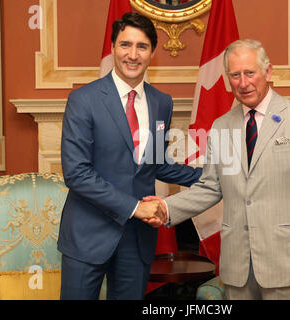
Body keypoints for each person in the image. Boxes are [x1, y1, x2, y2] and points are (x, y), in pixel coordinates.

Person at [148, 39, 290, 300]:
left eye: (250, 72)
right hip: (238, 266)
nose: (243, 82)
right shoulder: (221, 126)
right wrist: (166, 208)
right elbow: (211, 186)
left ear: (268, 72)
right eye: (235, 75)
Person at [58, 12, 202, 300]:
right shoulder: (83, 100)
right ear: (113, 48)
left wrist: (211, 175)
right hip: (88, 234)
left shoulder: (162, 102)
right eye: (125, 45)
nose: (132, 55)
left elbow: (156, 163)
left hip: (137, 240)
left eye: (142, 46)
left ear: (152, 52)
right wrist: (136, 207)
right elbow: (77, 173)